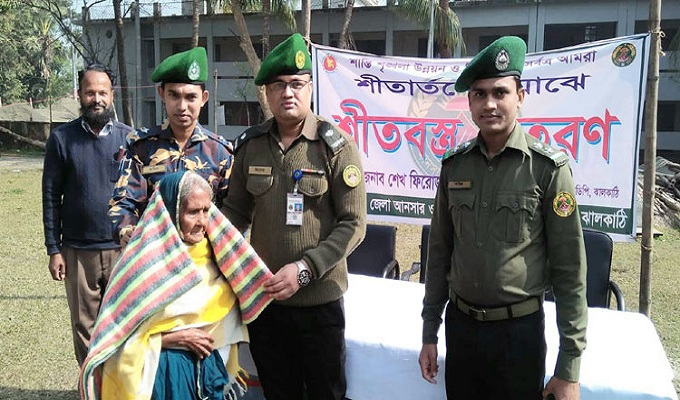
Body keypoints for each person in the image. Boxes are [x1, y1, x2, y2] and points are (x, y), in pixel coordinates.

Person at [418, 36, 588, 400]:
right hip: (461, 331)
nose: (490, 104)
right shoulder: (454, 166)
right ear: (469, 102)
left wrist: (569, 366)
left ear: (520, 97)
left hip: (518, 337)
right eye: (479, 94)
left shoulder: (548, 169)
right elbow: (439, 253)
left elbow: (570, 270)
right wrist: (429, 331)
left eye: (500, 92)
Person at [222, 33, 367, 400]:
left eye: (296, 84)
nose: (287, 93)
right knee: (278, 393)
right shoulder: (251, 146)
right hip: (267, 304)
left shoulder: (336, 147)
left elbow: (354, 224)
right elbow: (235, 212)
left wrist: (305, 269)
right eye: (278, 85)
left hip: (320, 305)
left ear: (310, 89)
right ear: (267, 93)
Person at [80, 171, 274, 400]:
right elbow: (116, 340)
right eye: (193, 212)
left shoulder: (220, 260)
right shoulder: (141, 266)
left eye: (206, 210)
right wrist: (171, 339)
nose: (202, 221)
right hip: (162, 377)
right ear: (170, 212)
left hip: (210, 373)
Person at [42, 63, 131, 366]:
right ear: (79, 94)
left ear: (112, 95)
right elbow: (51, 197)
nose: (97, 99)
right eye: (90, 92)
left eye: (102, 92)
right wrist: (54, 249)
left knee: (123, 323)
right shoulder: (61, 139)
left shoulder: (129, 139)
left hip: (121, 249)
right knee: (84, 327)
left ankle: (119, 384)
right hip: (78, 251)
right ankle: (92, 385)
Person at [109, 46, 232, 247]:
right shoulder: (141, 147)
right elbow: (123, 201)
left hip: (203, 256)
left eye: (191, 97)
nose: (182, 106)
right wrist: (126, 230)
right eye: (174, 95)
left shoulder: (220, 153)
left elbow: (231, 212)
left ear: (204, 98)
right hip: (153, 252)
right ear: (162, 94)